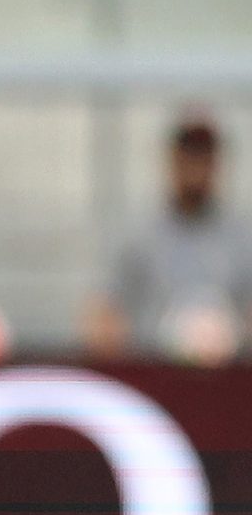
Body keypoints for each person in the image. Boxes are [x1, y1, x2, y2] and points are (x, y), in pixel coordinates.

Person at [85, 111, 252, 364]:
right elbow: (105, 310)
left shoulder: (242, 239)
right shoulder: (139, 236)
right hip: (156, 377)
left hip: (228, 381)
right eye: (188, 155)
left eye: (204, 156)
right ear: (172, 159)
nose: (196, 166)